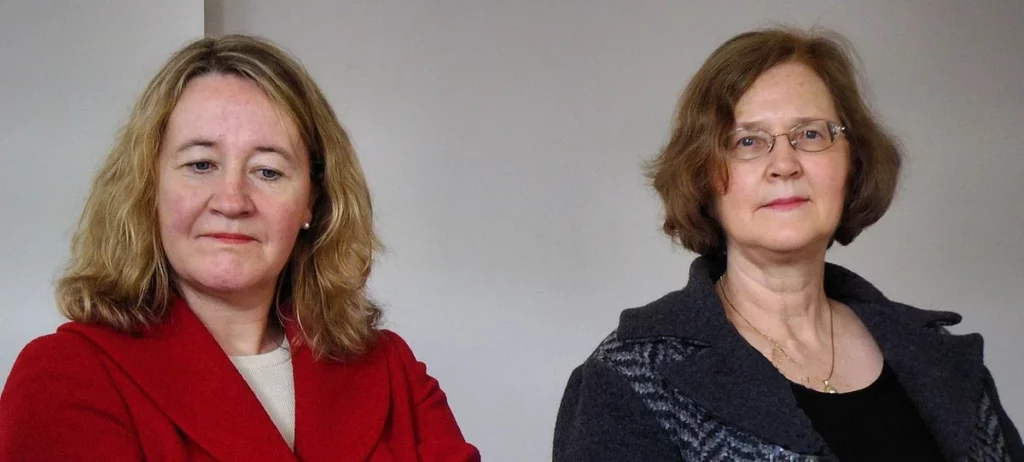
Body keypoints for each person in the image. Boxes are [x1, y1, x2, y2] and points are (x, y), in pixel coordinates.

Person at [0, 34, 479, 461]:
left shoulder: (390, 369)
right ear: (150, 187)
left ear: (311, 201)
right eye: (201, 164)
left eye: (268, 171)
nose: (231, 201)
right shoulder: (67, 377)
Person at [553, 27, 1022, 461]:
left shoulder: (940, 358)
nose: (784, 163)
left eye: (811, 134)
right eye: (747, 141)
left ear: (852, 162)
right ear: (702, 177)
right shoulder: (631, 379)